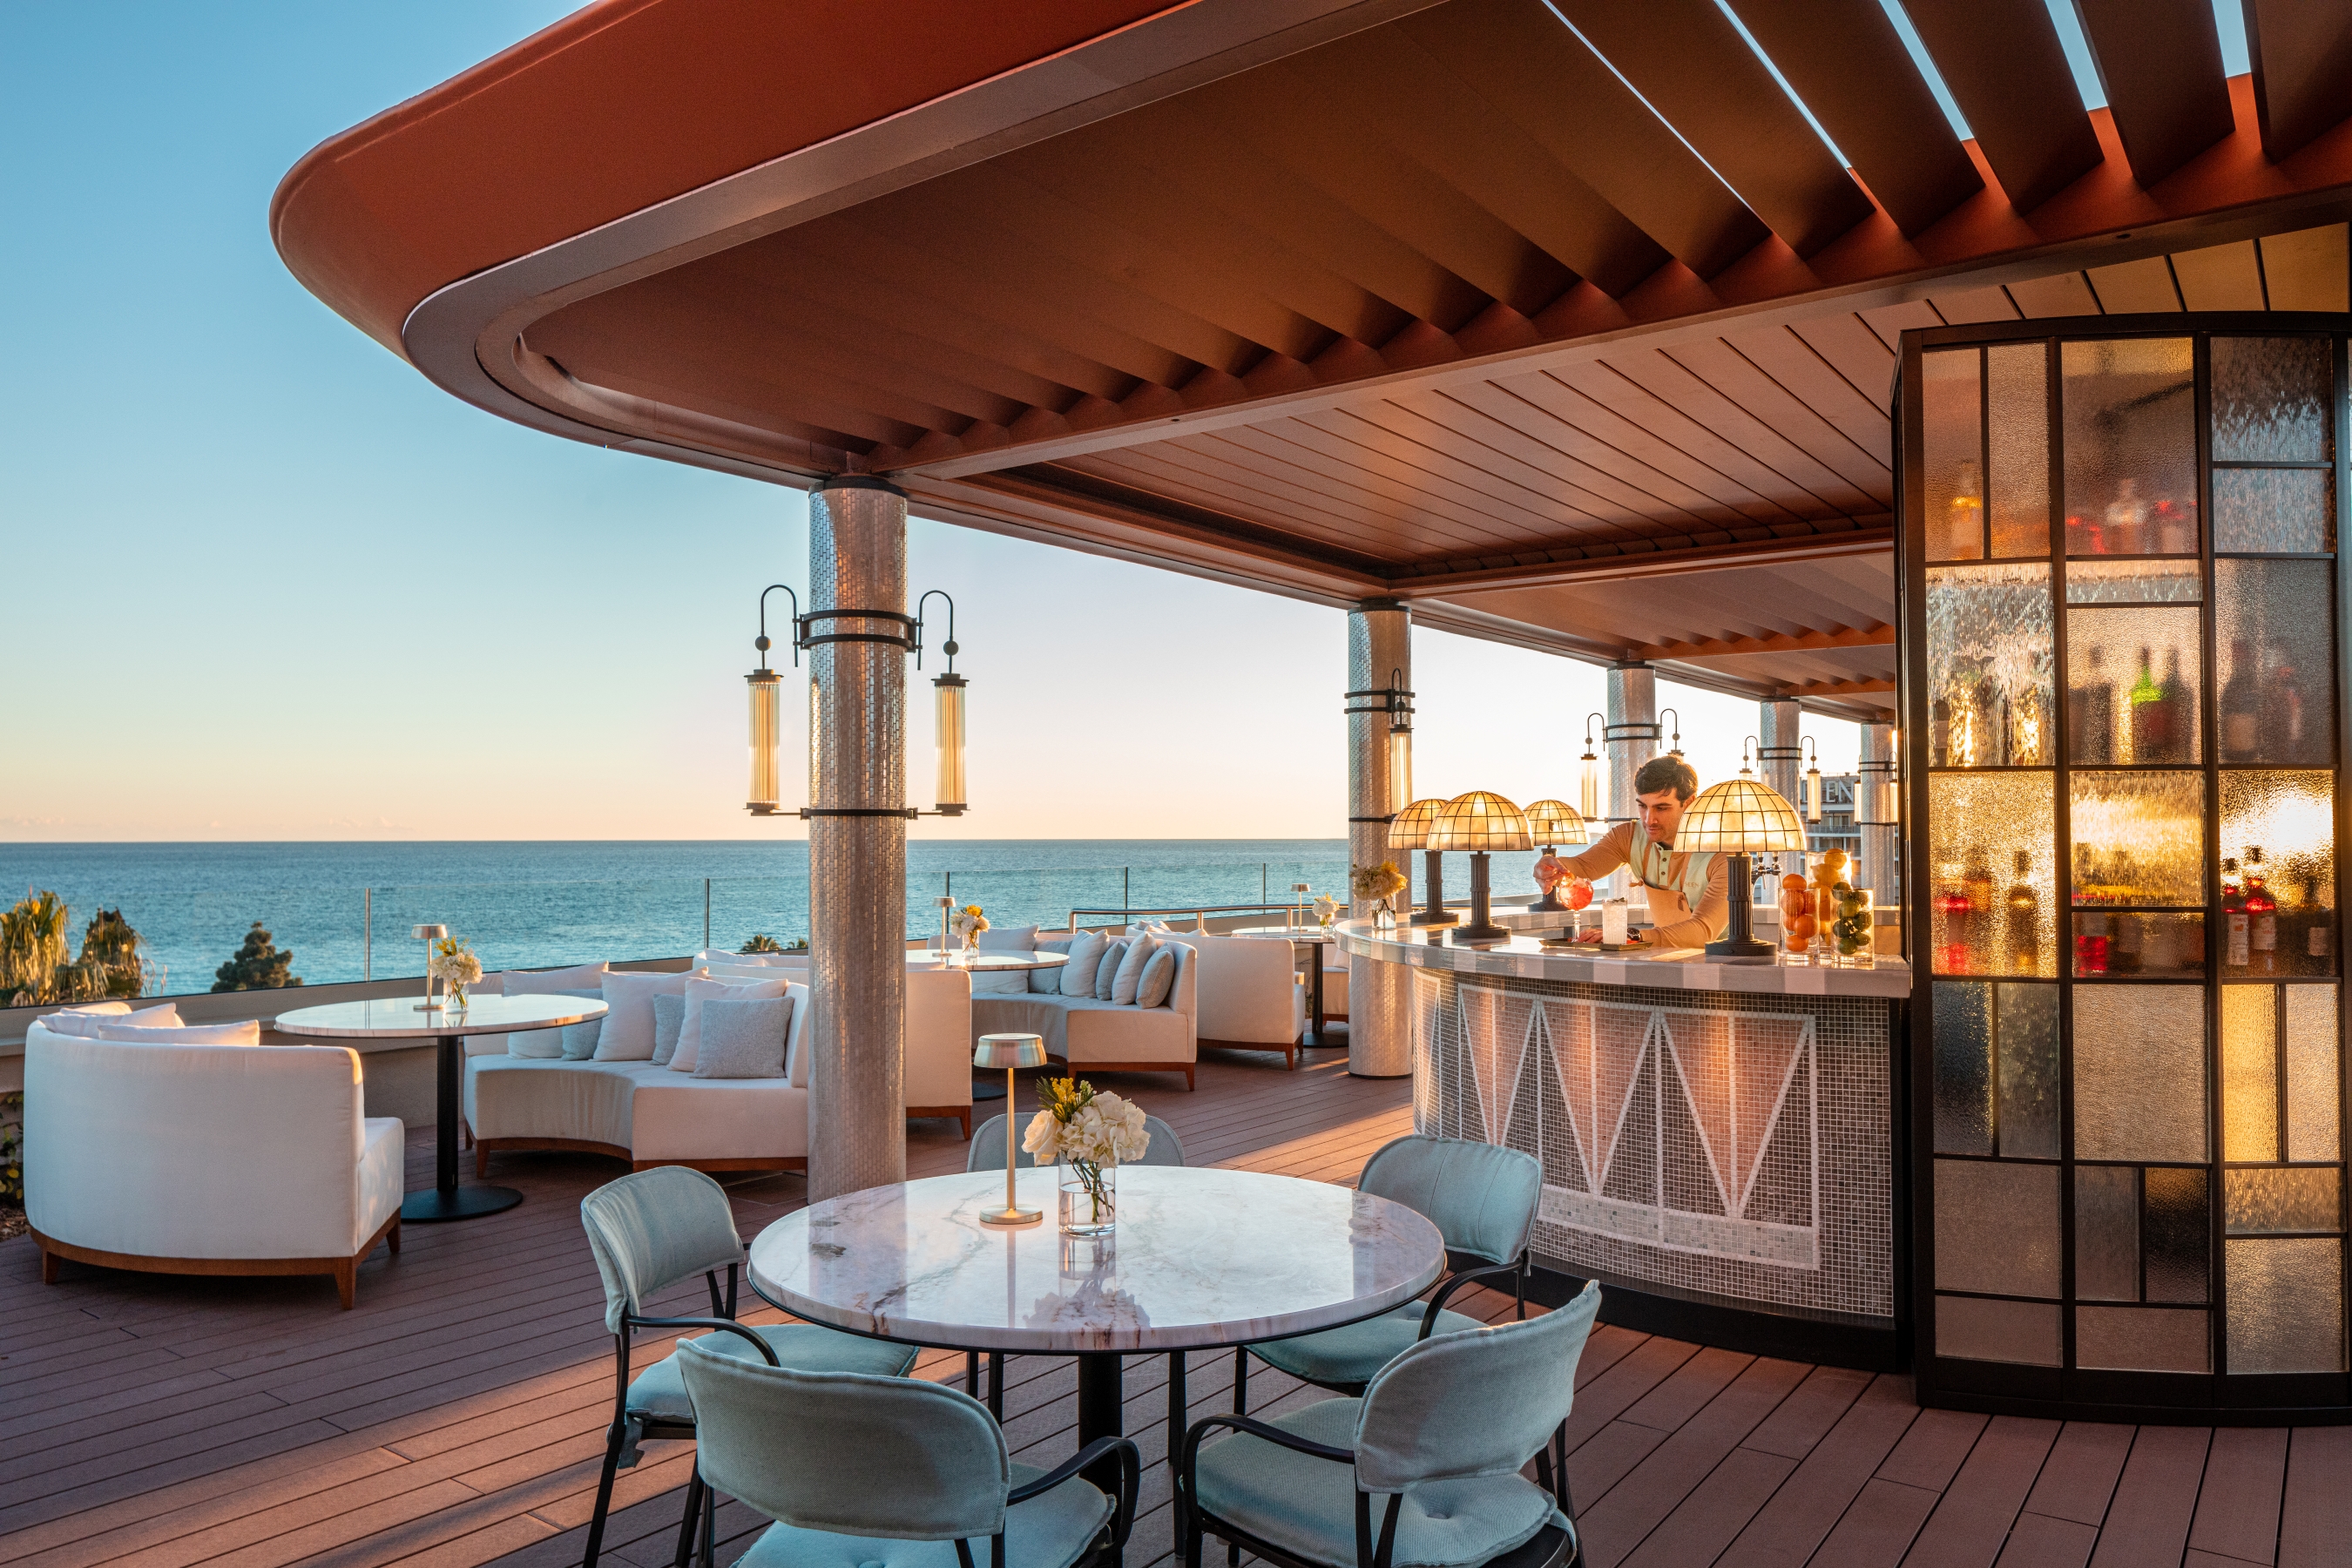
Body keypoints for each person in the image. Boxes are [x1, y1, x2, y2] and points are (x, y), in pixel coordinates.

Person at [1558, 756, 1729, 948]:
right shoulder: (1630, 836)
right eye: (1642, 806)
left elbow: (1703, 931)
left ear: (1689, 803)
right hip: (1664, 959)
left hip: (1722, 962)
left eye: (1661, 808)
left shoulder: (1723, 854)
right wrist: (1552, 868)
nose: (1649, 820)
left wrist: (1631, 936)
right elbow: (1582, 867)